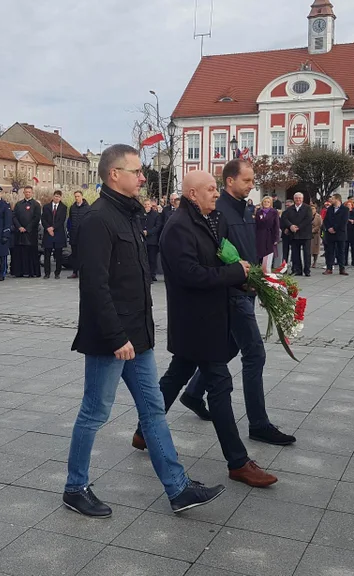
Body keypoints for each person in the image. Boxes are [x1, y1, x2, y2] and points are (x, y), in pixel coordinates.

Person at [65, 146, 225, 517]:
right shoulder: (97, 219)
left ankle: (178, 488)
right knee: (95, 412)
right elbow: (95, 286)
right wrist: (116, 336)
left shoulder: (129, 216)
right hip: (113, 339)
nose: (142, 177)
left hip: (138, 335)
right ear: (113, 174)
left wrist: (140, 334)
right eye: (136, 171)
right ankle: (75, 488)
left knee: (153, 410)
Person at [135, 168, 279, 486]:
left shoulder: (209, 219)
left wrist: (246, 281)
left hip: (210, 316)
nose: (216, 194)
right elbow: (192, 275)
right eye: (211, 189)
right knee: (220, 385)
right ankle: (238, 462)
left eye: (216, 188)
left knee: (176, 375)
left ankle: (143, 431)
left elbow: (218, 262)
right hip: (195, 321)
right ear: (192, 194)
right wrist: (235, 275)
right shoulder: (178, 227)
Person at [180, 160, 296, 447]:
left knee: (229, 347)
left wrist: (260, 277)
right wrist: (240, 279)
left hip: (247, 288)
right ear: (230, 181)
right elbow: (216, 255)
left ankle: (194, 393)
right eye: (247, 180)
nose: (252, 185)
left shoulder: (245, 210)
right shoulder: (218, 213)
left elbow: (246, 249)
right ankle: (258, 424)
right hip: (232, 294)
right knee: (254, 354)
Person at [282, 192, 314, 276]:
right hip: (294, 234)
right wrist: (290, 226)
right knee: (295, 254)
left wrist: (298, 227)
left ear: (302, 199)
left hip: (305, 234)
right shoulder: (290, 209)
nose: (298, 200)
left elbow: (308, 219)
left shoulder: (307, 208)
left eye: (300, 198)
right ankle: (297, 270)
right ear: (294, 199)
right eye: (296, 198)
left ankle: (307, 270)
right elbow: (285, 218)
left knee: (306, 253)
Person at [13, 185, 41, 278]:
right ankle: (20, 271)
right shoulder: (18, 204)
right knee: (20, 253)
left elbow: (36, 218)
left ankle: (32, 272)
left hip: (31, 233)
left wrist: (27, 228)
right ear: (23, 193)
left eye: (29, 192)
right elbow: (14, 216)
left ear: (32, 193)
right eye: (26, 192)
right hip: (20, 233)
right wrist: (19, 227)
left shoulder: (36, 204)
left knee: (31, 253)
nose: (27, 193)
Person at [42, 190, 68, 279]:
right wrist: (48, 228)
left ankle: (57, 273)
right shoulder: (46, 207)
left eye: (58, 197)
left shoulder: (64, 207)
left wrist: (53, 228)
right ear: (53, 196)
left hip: (58, 233)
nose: (57, 198)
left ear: (60, 198)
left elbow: (61, 220)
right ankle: (47, 273)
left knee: (58, 255)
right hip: (48, 233)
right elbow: (43, 219)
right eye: (55, 196)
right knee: (47, 254)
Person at [322, 193, 350, 276]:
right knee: (329, 251)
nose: (331, 200)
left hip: (340, 233)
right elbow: (326, 220)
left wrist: (335, 228)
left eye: (333, 199)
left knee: (341, 251)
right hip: (330, 234)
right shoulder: (330, 209)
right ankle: (329, 268)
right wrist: (329, 228)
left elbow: (343, 222)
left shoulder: (345, 209)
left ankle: (342, 268)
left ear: (337, 199)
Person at [66, 190, 90, 279]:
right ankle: (75, 272)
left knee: (84, 255)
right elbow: (70, 220)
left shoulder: (87, 208)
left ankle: (84, 272)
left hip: (83, 235)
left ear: (82, 196)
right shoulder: (72, 208)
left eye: (78, 196)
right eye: (75, 196)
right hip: (74, 235)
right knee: (74, 254)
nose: (77, 198)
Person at [254, 196, 280, 272]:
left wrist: (276, 238)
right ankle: (259, 270)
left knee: (269, 254)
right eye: (265, 202)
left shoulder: (274, 212)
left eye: (268, 202)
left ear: (270, 203)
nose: (266, 203)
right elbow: (256, 224)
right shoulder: (259, 212)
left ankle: (267, 270)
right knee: (260, 253)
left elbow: (276, 225)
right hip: (260, 235)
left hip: (270, 235)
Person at [141, 198, 161, 282]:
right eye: (145, 204)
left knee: (152, 259)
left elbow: (157, 227)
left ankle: (152, 275)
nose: (147, 206)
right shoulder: (140, 214)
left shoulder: (156, 215)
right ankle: (146, 275)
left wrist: (148, 232)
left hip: (152, 241)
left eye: (148, 204)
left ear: (151, 205)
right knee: (144, 259)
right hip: (143, 240)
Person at [280, 199, 294, 270]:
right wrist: (283, 229)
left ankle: (292, 263)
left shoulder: (295, 213)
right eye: (286, 205)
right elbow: (281, 223)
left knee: (294, 250)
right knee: (285, 251)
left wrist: (289, 229)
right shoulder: (284, 213)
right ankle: (284, 265)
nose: (287, 206)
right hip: (285, 234)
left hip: (293, 234)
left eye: (288, 205)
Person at [309, 200, 323, 270]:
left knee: (315, 249)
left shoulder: (318, 216)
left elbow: (319, 225)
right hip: (308, 234)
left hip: (315, 234)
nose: (312, 210)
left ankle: (314, 262)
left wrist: (314, 230)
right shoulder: (307, 215)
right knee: (308, 249)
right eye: (311, 209)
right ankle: (308, 261)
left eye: (313, 209)